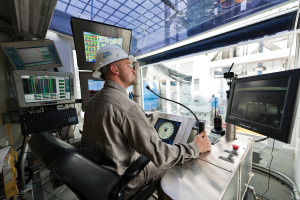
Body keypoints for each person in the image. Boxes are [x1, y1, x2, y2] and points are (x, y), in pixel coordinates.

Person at [81, 45, 212, 199]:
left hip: (97, 180)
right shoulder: (127, 107)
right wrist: (195, 148)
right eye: (129, 66)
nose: (134, 70)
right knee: (169, 164)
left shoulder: (93, 102)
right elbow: (161, 156)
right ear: (115, 70)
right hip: (122, 183)